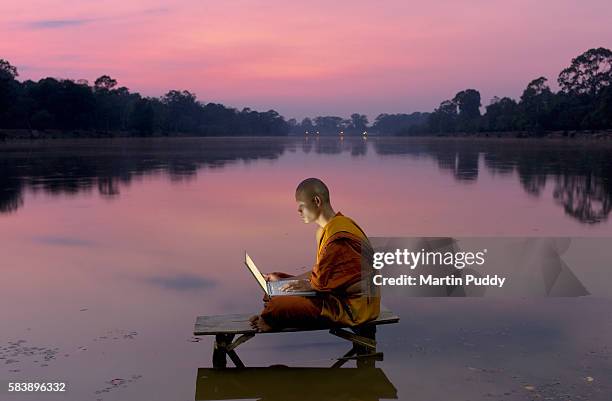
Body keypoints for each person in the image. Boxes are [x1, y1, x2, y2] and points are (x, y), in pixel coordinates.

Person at [249, 178, 380, 332]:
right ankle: (270, 315)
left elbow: (323, 283)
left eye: (301, 206)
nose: (298, 211)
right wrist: (287, 281)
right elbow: (322, 274)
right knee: (279, 288)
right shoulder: (327, 229)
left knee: (278, 305)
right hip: (335, 293)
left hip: (352, 305)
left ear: (317, 201)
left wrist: (295, 288)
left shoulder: (339, 236)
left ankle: (270, 319)